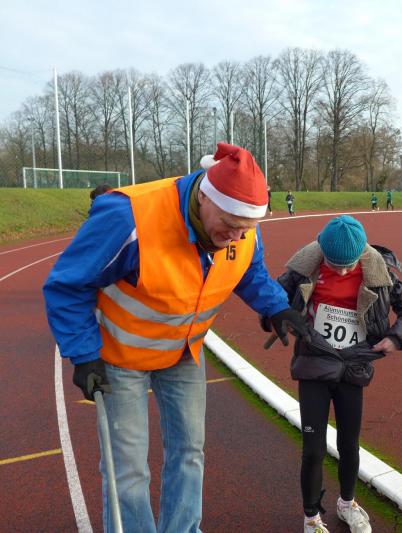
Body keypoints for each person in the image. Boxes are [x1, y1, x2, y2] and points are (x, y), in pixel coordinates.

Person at [43, 143, 309, 533]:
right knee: (128, 468)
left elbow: (248, 271)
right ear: (204, 196)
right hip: (120, 357)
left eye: (245, 228)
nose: (235, 236)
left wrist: (275, 306)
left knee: (189, 453)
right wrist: (83, 355)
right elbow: (68, 285)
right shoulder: (128, 216)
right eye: (229, 224)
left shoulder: (243, 229)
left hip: (184, 352)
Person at [269, 215, 402, 533]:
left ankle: (347, 503)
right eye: (333, 265)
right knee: (313, 449)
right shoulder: (304, 267)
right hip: (314, 362)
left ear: (361, 254)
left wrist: (396, 337)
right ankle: (312, 518)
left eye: (347, 266)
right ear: (321, 252)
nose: (340, 272)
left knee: (349, 444)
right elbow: (273, 297)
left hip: (353, 365)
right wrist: (276, 316)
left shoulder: (378, 271)